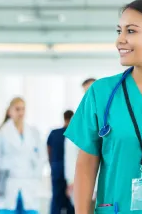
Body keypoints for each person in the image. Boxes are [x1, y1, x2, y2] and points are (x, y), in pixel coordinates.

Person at [65, 0, 142, 213]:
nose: (119, 40)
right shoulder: (101, 93)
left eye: (130, 31)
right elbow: (86, 163)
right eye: (119, 31)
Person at [0, 97, 46, 214]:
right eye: (17, 109)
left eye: (23, 109)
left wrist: (37, 175)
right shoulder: (2, 132)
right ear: (10, 111)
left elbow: (41, 157)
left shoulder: (33, 132)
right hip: (8, 183)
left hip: (29, 182)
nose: (21, 112)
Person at [64, 78, 96, 211]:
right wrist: (71, 180)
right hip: (84, 180)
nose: (89, 94)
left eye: (92, 90)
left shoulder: (111, 114)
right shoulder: (79, 118)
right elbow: (70, 153)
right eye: (86, 91)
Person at [47, 110, 75, 214]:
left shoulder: (54, 133)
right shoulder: (73, 134)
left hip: (57, 169)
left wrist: (52, 164)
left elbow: (48, 149)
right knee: (71, 202)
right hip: (69, 172)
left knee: (56, 201)